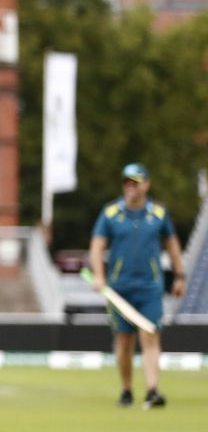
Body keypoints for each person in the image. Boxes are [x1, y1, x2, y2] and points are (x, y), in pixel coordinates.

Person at [89, 163, 187, 409]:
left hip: (150, 286)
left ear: (147, 184)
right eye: (127, 182)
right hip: (119, 287)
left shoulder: (158, 214)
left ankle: (152, 390)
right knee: (124, 340)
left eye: (136, 182)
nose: (131, 187)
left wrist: (180, 275)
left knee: (150, 334)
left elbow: (172, 244)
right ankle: (126, 389)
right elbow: (97, 246)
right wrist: (99, 276)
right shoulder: (110, 213)